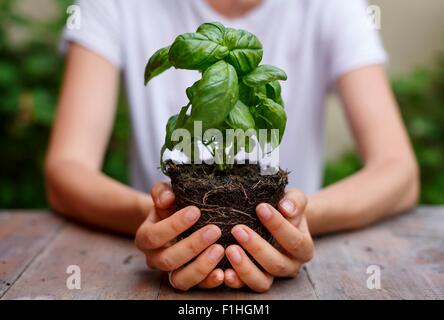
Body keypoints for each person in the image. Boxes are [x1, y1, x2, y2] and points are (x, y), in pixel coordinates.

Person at [45, 0, 419, 292]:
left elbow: (399, 173)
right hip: (155, 251)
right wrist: (159, 219)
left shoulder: (332, 6)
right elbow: (65, 170)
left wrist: (292, 223)